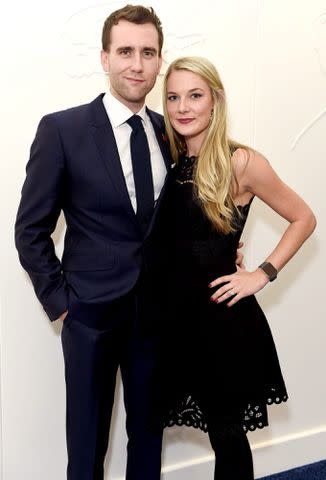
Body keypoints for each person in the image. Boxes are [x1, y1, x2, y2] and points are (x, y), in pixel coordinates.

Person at [15, 5, 171, 480]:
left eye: (148, 52)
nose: (136, 64)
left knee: (148, 438)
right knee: (86, 447)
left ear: (160, 60)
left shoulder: (171, 131)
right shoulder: (62, 130)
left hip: (155, 316)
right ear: (105, 58)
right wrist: (62, 303)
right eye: (125, 51)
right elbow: (30, 229)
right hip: (89, 316)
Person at [154, 56, 316, 479]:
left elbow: (304, 217)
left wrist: (261, 273)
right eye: (173, 97)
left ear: (215, 101)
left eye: (195, 95)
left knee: (226, 437)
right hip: (172, 319)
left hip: (217, 321)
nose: (183, 107)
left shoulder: (240, 161)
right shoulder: (168, 158)